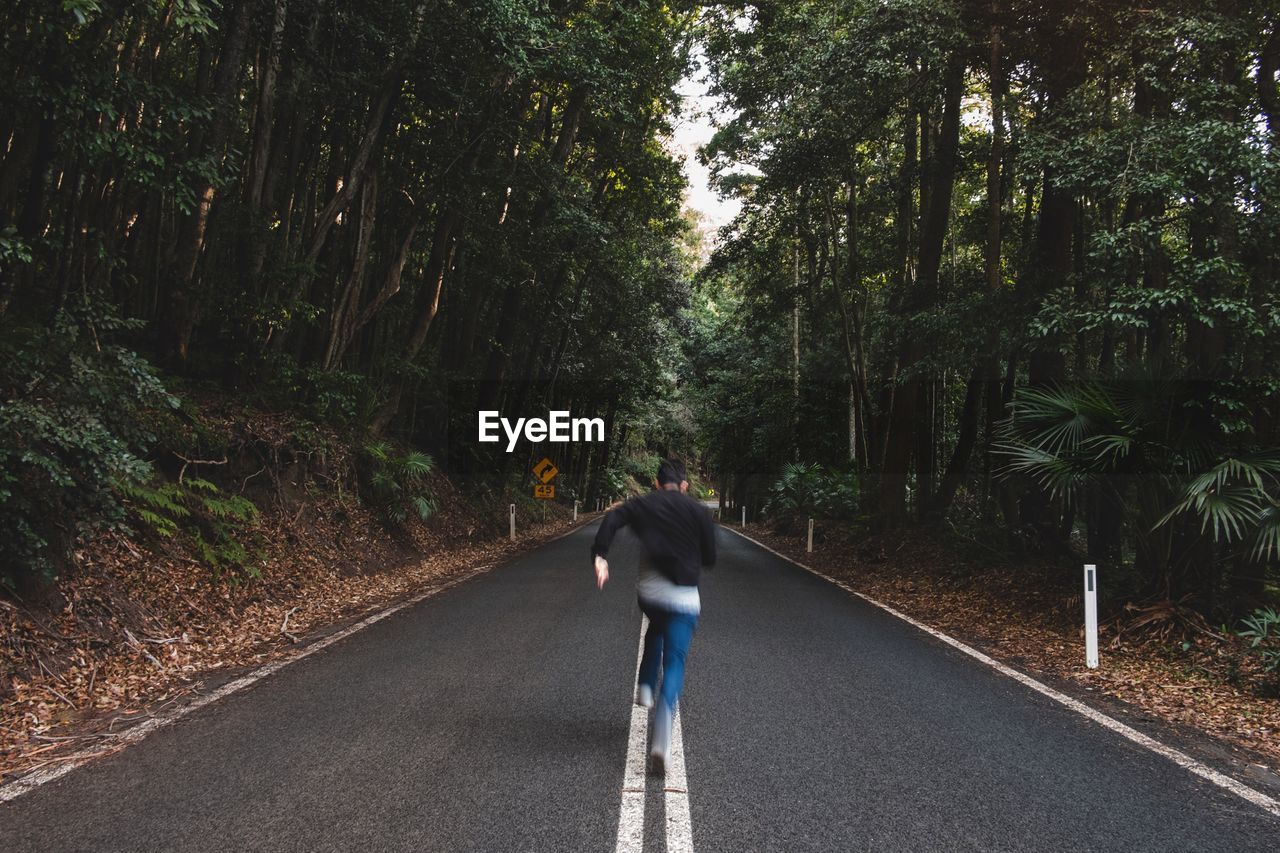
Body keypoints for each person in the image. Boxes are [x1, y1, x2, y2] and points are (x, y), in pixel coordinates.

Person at [591, 459, 717, 772]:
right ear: (684, 485)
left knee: (656, 627)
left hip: (650, 595)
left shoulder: (643, 503)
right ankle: (662, 732)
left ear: (656, 483)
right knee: (675, 660)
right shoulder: (698, 512)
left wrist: (600, 556)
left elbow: (612, 519)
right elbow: (710, 558)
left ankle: (645, 686)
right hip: (684, 597)